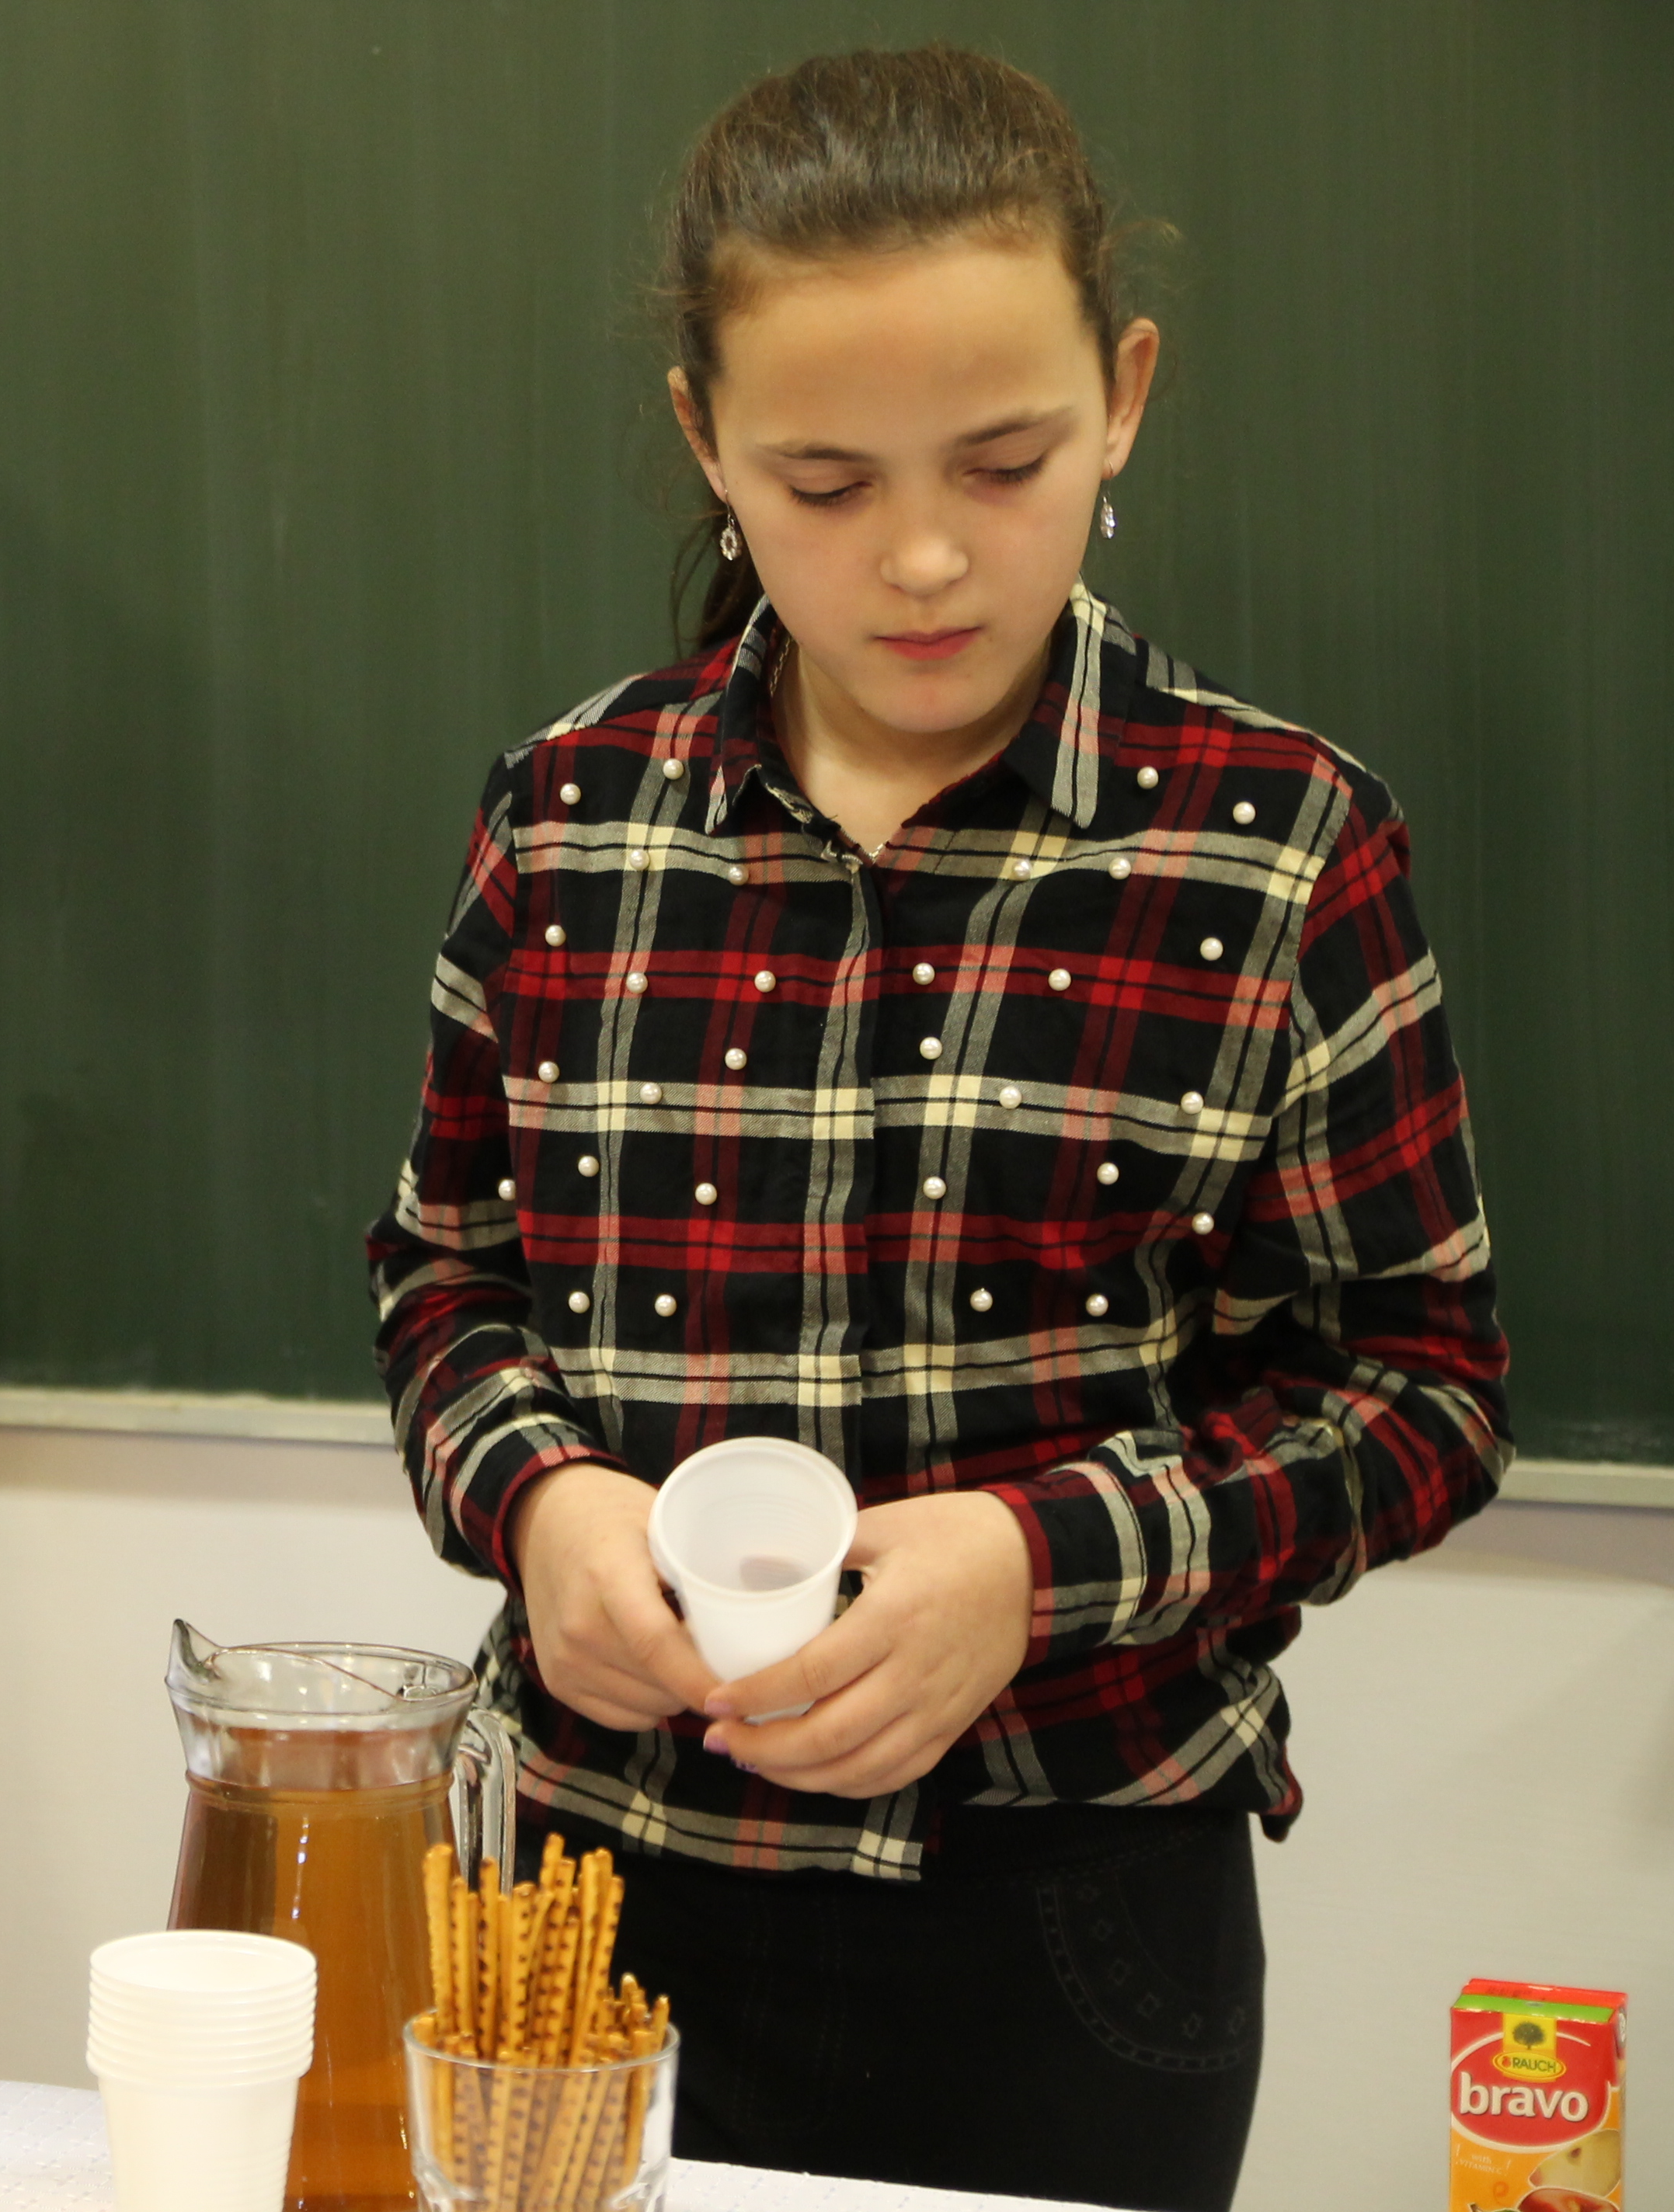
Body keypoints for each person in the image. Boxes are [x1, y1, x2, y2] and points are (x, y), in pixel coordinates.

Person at [367, 47, 1504, 2212]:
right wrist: (539, 1503)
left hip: (1072, 1918)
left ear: (1125, 395)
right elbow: (446, 1279)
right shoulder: (571, 817)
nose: (918, 558)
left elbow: (1424, 1391)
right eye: (820, 482)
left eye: (1004, 462)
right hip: (595, 1885)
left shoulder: (1279, 846)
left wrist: (1042, 1563)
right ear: (705, 441)